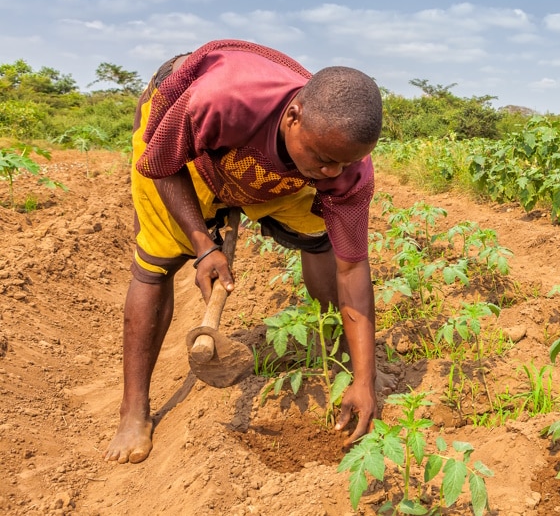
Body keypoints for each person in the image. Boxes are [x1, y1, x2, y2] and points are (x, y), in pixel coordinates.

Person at [104, 39, 382, 464]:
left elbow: (352, 270)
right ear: (293, 116)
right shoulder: (218, 101)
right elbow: (162, 165)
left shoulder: (345, 169)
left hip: (271, 168)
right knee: (155, 262)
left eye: (343, 164)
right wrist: (203, 245)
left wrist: (366, 379)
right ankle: (133, 410)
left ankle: (343, 358)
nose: (332, 173)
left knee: (321, 240)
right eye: (325, 159)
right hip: (181, 151)